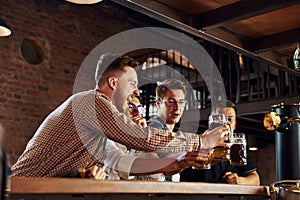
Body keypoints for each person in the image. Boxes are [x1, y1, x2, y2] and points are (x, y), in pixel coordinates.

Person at [10, 53, 228, 177]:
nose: (136, 91)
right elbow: (143, 138)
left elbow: (126, 163)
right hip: (21, 189)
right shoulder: (92, 102)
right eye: (132, 83)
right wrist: (200, 140)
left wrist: (181, 163)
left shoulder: (97, 131)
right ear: (114, 83)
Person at [180, 100, 260, 185]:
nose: (225, 124)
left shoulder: (237, 147)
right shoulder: (196, 143)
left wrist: (240, 181)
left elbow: (255, 179)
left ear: (235, 124)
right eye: (219, 119)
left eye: (229, 119)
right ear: (210, 122)